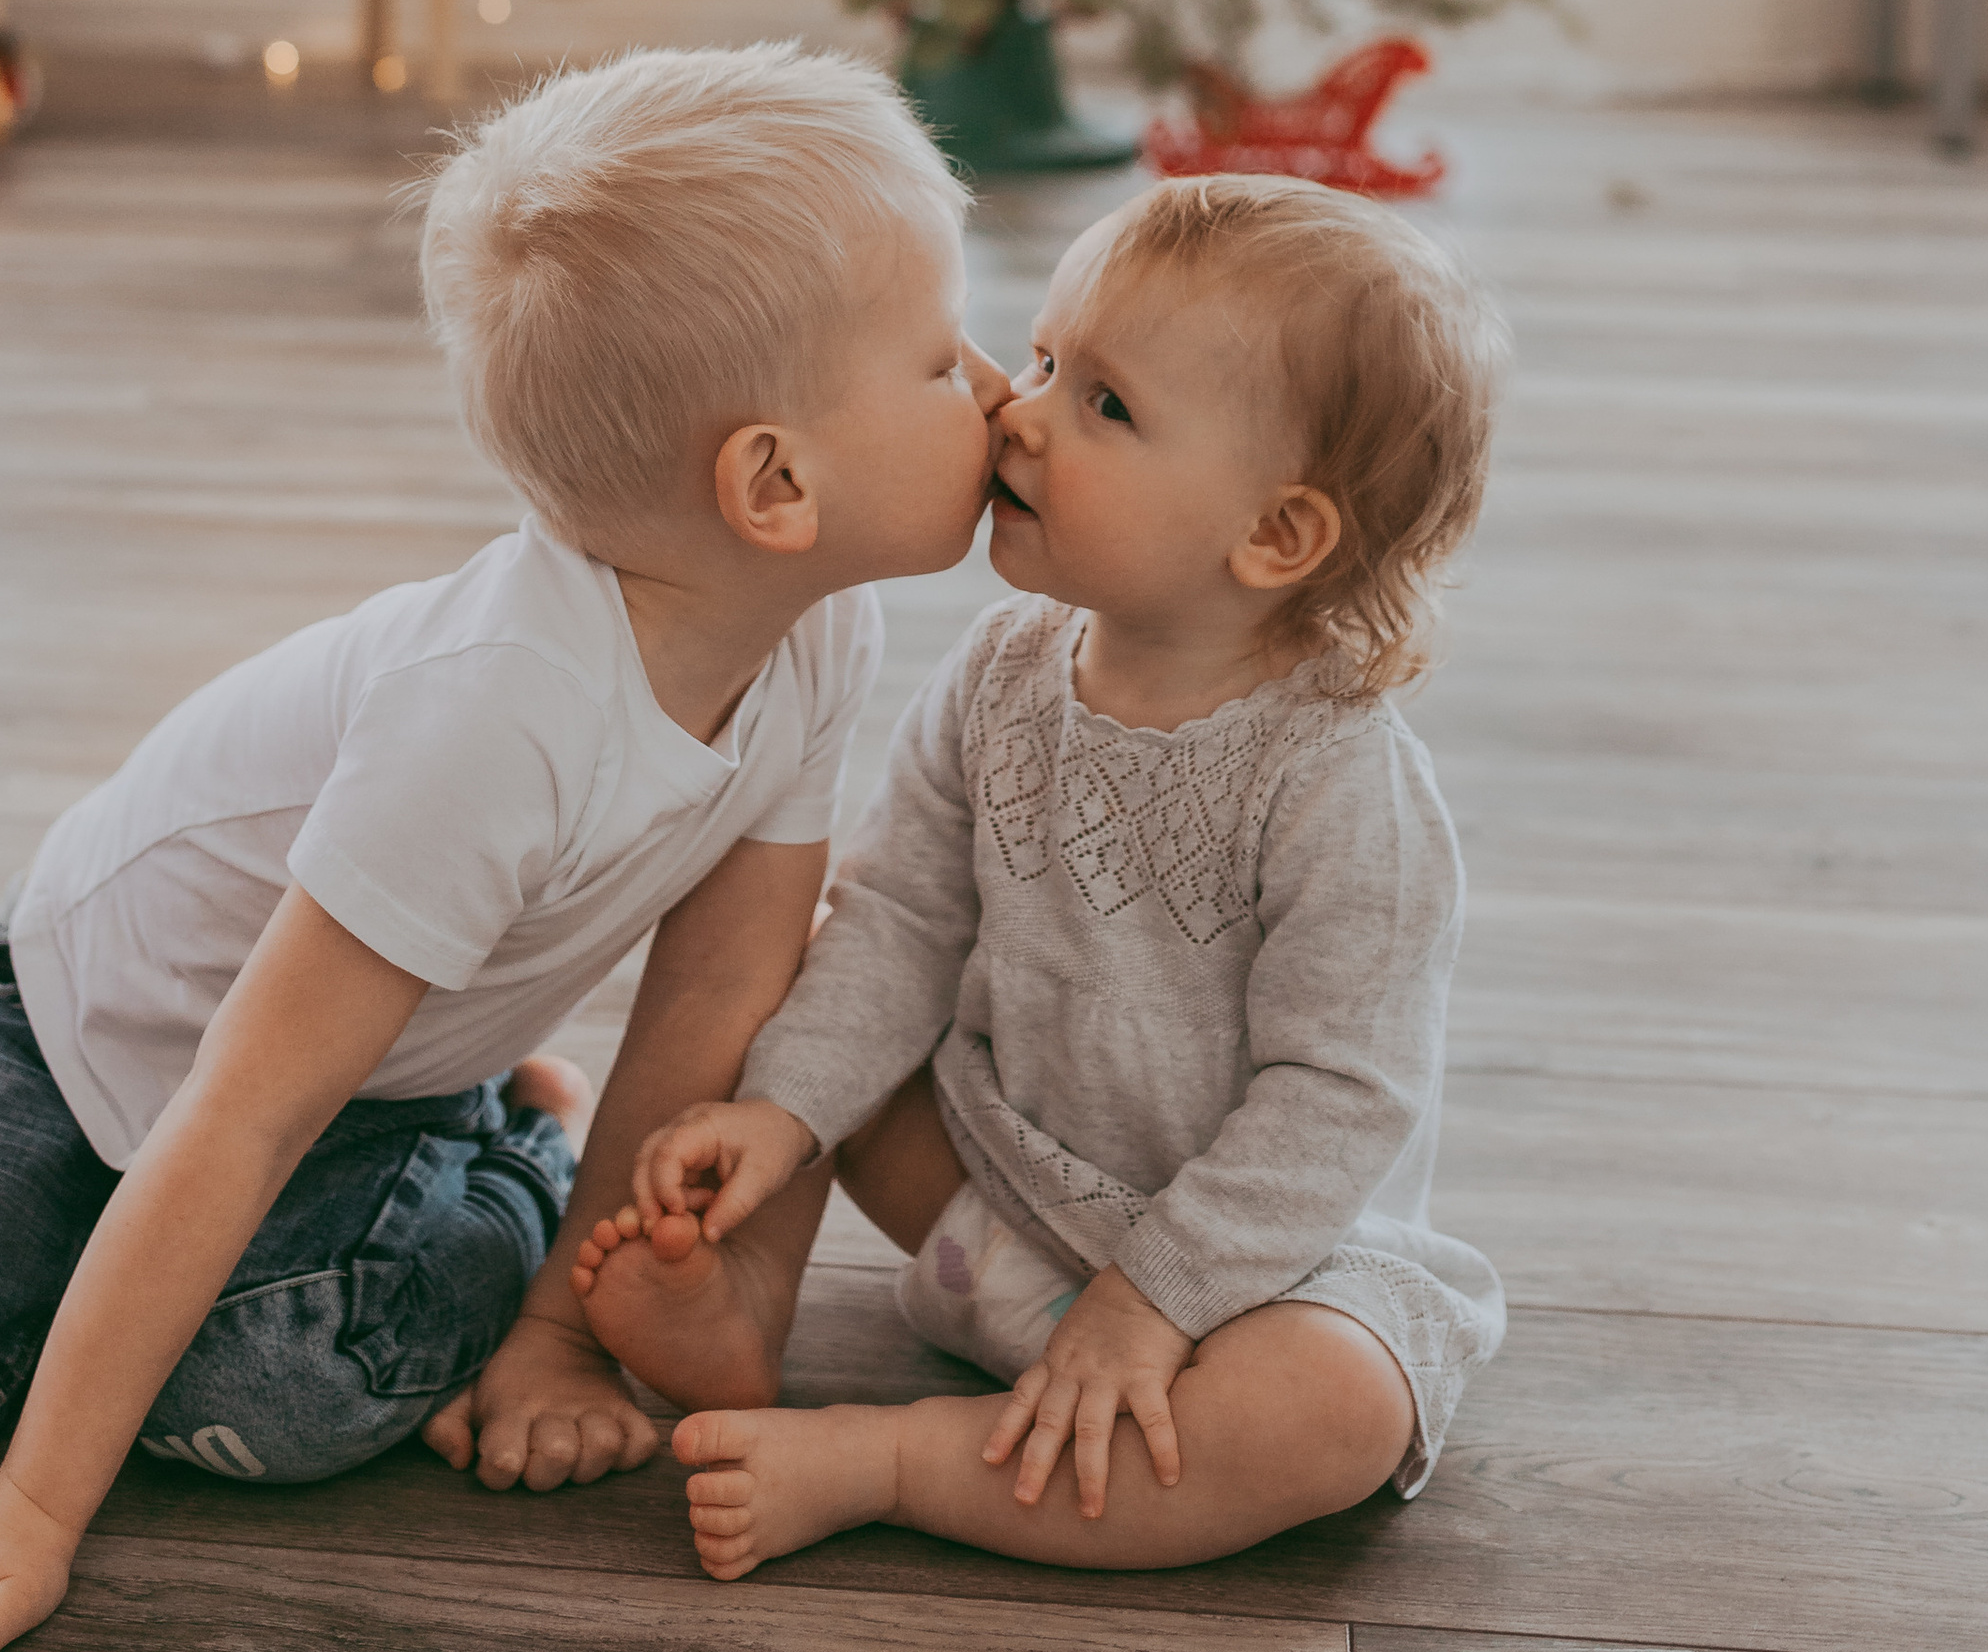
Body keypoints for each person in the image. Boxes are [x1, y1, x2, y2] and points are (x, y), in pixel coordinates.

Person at [0, 41, 1009, 1652]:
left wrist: (557, 1331)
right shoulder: (500, 716)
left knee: (305, 1399)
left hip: (355, 1090)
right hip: (82, 1040)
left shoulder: (818, 634)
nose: (1003, 390)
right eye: (946, 361)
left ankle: (500, 1128)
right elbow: (236, 1108)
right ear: (775, 484)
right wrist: (29, 1510)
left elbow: (724, 987)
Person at [569, 171, 1509, 1580]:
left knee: (1336, 1412)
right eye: (1051, 358)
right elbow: (902, 922)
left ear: (1276, 536)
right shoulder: (1002, 675)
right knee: (827, 979)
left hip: (1252, 1271)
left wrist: (1151, 1301)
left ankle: (897, 1463)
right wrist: (783, 1115)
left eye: (1104, 405)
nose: (1019, 407)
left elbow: (1340, 1099)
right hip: (1011, 1182)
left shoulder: (1340, 790)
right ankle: (753, 1301)